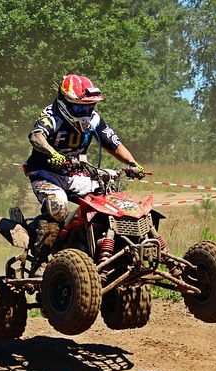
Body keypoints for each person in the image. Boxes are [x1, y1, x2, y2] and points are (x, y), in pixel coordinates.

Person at [23, 74, 146, 260]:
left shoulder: (94, 119)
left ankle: (99, 249)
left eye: (90, 106)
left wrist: (132, 162)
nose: (85, 111)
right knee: (58, 205)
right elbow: (36, 136)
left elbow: (112, 143)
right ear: (65, 102)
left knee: (109, 199)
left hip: (75, 175)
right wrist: (52, 153)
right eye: (80, 107)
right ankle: (40, 260)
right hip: (46, 174)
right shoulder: (51, 115)